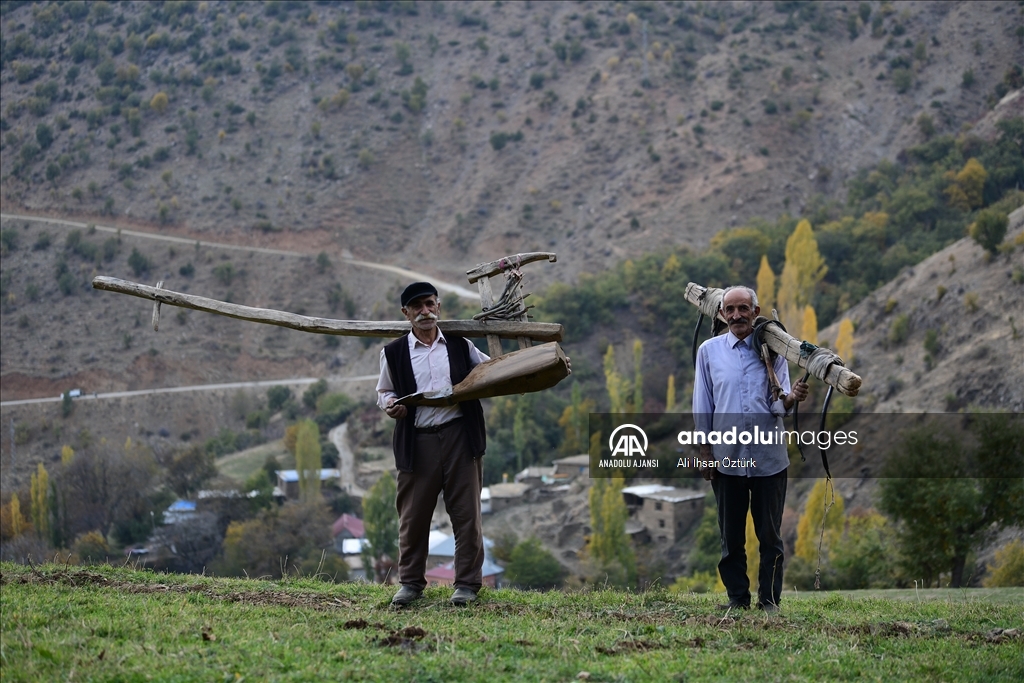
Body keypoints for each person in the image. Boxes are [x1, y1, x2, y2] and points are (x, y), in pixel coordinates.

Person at [692, 285, 809, 613]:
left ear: (755, 312)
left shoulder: (773, 350)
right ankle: (737, 599)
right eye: (730, 310)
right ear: (722, 314)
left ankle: (769, 601)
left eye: (743, 308)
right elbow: (703, 404)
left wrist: (792, 397)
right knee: (731, 536)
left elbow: (779, 405)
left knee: (770, 535)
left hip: (768, 459)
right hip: (726, 458)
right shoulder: (709, 352)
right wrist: (704, 453)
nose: (736, 315)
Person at [376, 282, 490, 607]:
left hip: (460, 438)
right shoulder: (394, 352)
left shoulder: (459, 345)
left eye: (429, 304)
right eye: (417, 307)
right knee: (412, 517)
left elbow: (489, 372)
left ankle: (467, 585)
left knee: (467, 514)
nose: (424, 312)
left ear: (438, 306)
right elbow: (384, 391)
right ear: (406, 313)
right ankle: (410, 583)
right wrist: (390, 405)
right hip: (418, 442)